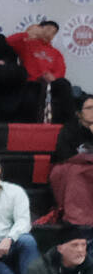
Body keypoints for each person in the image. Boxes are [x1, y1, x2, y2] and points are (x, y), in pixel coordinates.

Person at [7, 19, 74, 123]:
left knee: (64, 84)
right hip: (31, 82)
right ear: (39, 28)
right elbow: (9, 42)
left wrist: (54, 77)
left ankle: (68, 124)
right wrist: (27, 34)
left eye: (53, 33)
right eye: (48, 29)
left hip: (50, 83)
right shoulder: (27, 44)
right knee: (31, 91)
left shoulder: (55, 52)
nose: (49, 34)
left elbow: (61, 69)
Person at [48, 95, 93, 226]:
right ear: (79, 113)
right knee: (75, 172)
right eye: (89, 108)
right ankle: (78, 217)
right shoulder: (69, 129)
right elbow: (64, 156)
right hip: (70, 168)